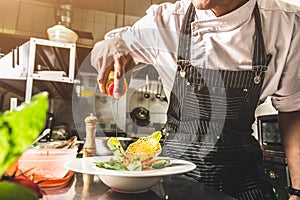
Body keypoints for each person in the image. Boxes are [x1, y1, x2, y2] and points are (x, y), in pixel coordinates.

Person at [90, 0, 300, 199]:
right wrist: (109, 46)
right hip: (173, 176)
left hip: (244, 178)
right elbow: (103, 48)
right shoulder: (166, 20)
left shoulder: (285, 25)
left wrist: (297, 191)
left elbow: (292, 111)